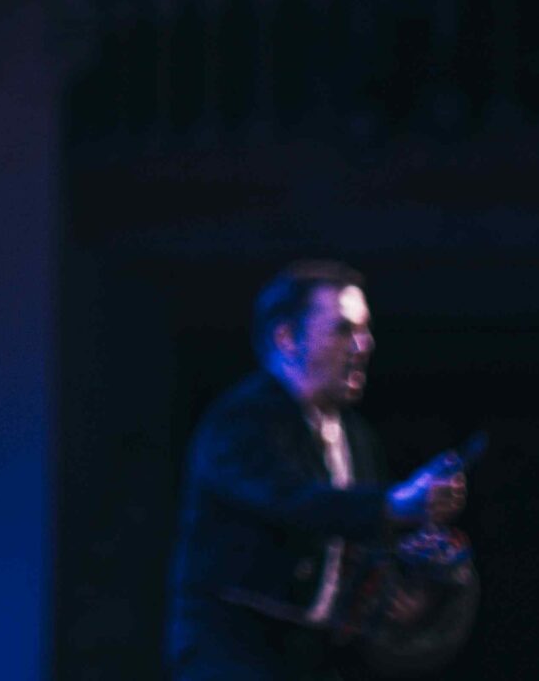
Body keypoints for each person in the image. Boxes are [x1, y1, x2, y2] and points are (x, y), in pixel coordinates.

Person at [167, 263, 471, 680]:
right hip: (233, 654)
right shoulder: (241, 420)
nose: (364, 345)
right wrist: (393, 505)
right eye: (344, 329)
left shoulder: (354, 436)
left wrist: (403, 587)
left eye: (365, 330)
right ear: (287, 338)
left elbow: (348, 543)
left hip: (309, 656)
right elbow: (293, 500)